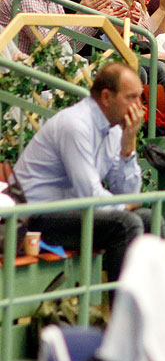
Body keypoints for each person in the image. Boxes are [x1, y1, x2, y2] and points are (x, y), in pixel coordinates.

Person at [12, 63, 152, 282]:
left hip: (71, 211)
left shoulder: (115, 129)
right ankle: (122, 311)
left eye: (139, 97)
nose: (139, 108)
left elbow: (129, 193)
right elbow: (90, 195)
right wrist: (124, 205)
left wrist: (128, 145)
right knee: (126, 224)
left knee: (150, 220)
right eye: (131, 98)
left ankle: (148, 308)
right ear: (106, 97)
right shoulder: (75, 124)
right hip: (33, 217)